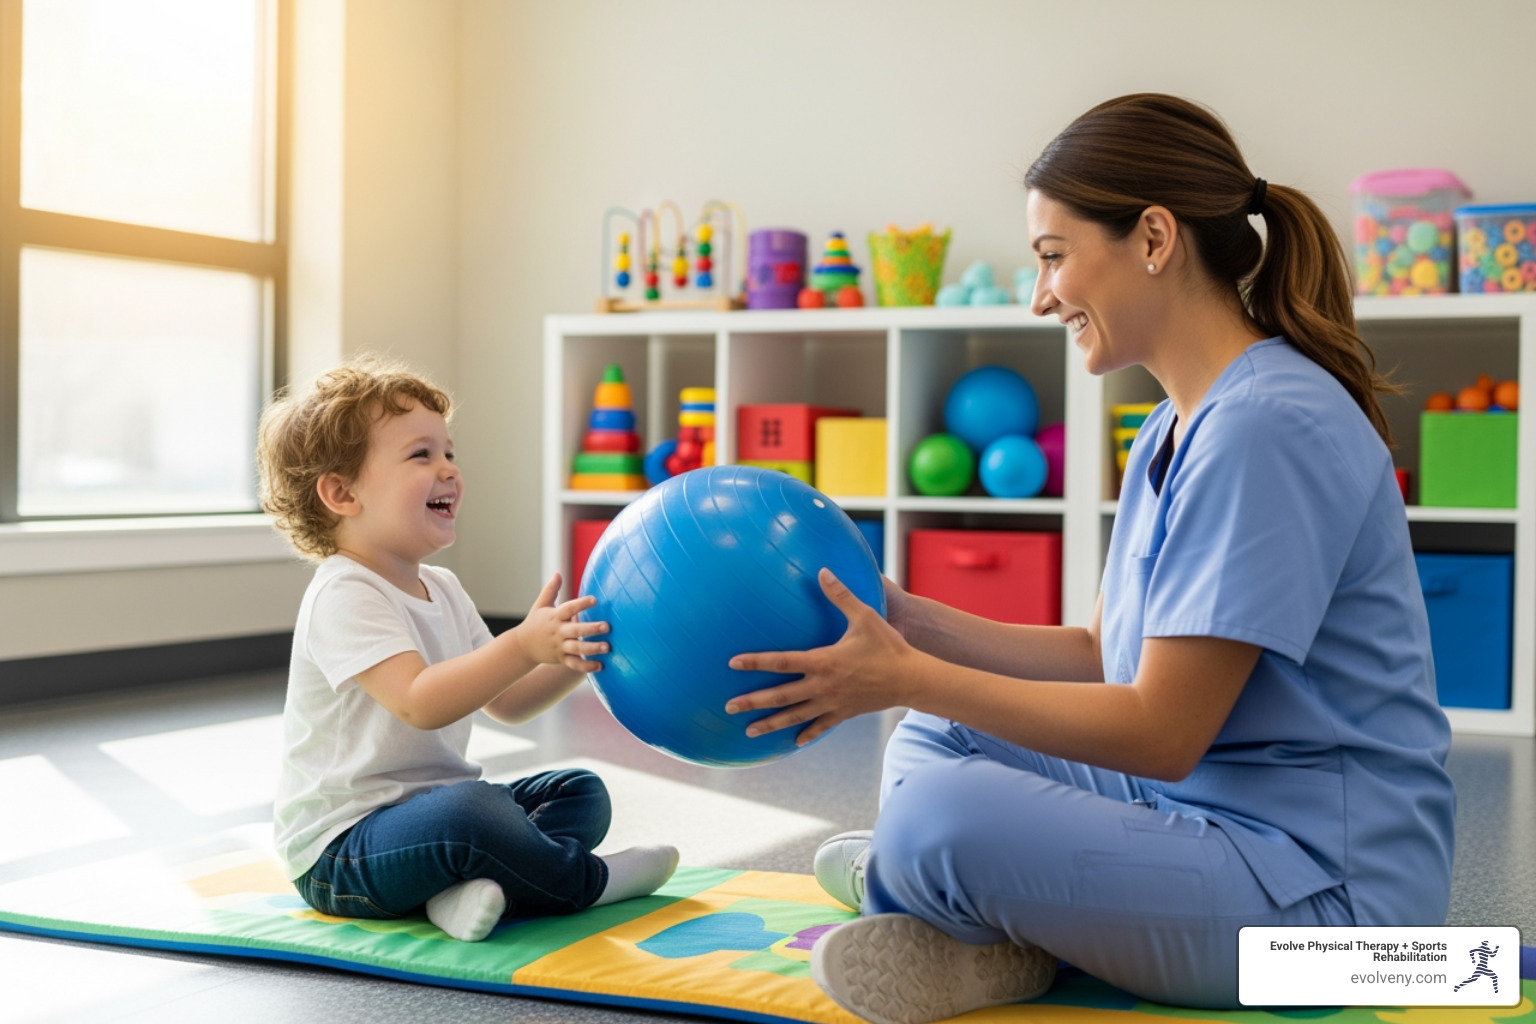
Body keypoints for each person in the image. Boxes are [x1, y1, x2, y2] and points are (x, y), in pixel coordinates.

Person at [725, 93, 1455, 1021]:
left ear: (1154, 238)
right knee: (933, 741)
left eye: (1053, 257)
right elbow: (1100, 656)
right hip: (1220, 820)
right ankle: (973, 917)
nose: (1040, 297)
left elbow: (1159, 731)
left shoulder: (1267, 425)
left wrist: (907, 675)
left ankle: (947, 894)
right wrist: (908, 619)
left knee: (940, 819)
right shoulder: (1171, 425)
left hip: (1345, 924)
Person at [258, 356, 678, 943]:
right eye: (420, 455)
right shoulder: (343, 592)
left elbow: (507, 702)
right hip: (342, 851)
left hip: (433, 821)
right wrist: (521, 643)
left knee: (577, 791)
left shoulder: (443, 586)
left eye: (449, 452)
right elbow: (419, 702)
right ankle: (587, 881)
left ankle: (454, 894)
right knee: (472, 817)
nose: (449, 469)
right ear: (342, 492)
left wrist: (568, 653)